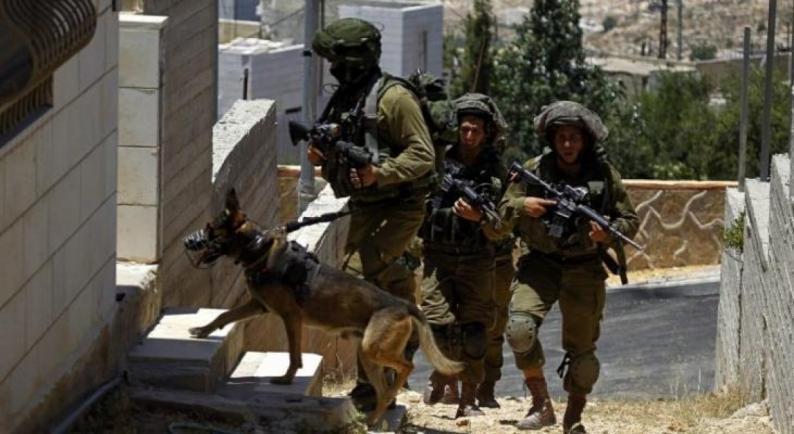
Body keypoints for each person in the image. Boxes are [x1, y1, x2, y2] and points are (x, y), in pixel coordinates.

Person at [483, 101, 639, 433]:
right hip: (540, 263)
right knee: (519, 330)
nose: (567, 144)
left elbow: (629, 220)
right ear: (552, 140)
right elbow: (499, 217)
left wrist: (609, 233)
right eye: (561, 137)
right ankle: (541, 404)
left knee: (584, 359)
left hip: (584, 267)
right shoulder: (534, 170)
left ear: (585, 140)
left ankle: (574, 416)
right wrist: (523, 205)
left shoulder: (603, 174)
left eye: (574, 138)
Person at [309, 18, 436, 409]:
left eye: (337, 61)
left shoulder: (394, 99)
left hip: (400, 208)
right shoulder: (347, 97)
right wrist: (322, 155)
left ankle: (369, 389)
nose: (333, 69)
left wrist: (380, 172)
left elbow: (423, 155)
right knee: (390, 288)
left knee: (358, 287)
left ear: (356, 58)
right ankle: (394, 367)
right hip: (366, 207)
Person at [418, 93, 509, 418]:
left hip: (476, 258)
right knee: (437, 324)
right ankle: (442, 372)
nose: (469, 136)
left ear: (486, 134)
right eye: (464, 129)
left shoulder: (495, 172)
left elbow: (504, 223)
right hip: (438, 256)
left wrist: (479, 218)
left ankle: (468, 399)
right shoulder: (437, 161)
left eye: (476, 130)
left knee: (474, 331)